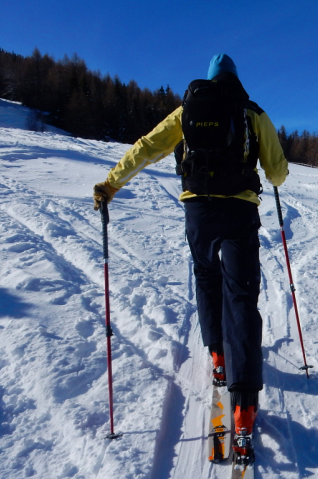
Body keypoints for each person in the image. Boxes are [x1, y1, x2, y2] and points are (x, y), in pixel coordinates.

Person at [92, 54, 289, 459]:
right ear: (235, 79)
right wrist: (270, 174)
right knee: (241, 296)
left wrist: (111, 184)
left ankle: (217, 356)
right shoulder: (253, 113)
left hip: (198, 212)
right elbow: (278, 171)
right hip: (239, 212)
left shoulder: (187, 111)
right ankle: (245, 409)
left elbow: (148, 148)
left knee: (206, 277)